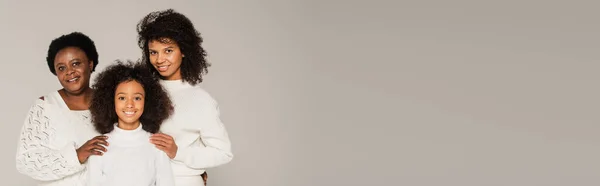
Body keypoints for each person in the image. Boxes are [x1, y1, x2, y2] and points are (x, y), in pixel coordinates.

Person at [137, 9, 233, 186]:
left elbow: (223, 152)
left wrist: (178, 152)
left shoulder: (200, 100)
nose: (160, 59)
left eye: (168, 50)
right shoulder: (140, 92)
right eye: (153, 52)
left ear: (183, 51)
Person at [16, 32, 108, 186]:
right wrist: (76, 156)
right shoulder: (45, 107)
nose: (69, 72)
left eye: (76, 63)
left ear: (90, 64)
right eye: (61, 68)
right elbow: (26, 162)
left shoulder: (111, 103)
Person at [86, 61, 175, 186]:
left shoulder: (156, 145)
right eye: (122, 98)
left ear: (147, 101)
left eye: (137, 98)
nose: (130, 105)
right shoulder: (101, 146)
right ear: (111, 101)